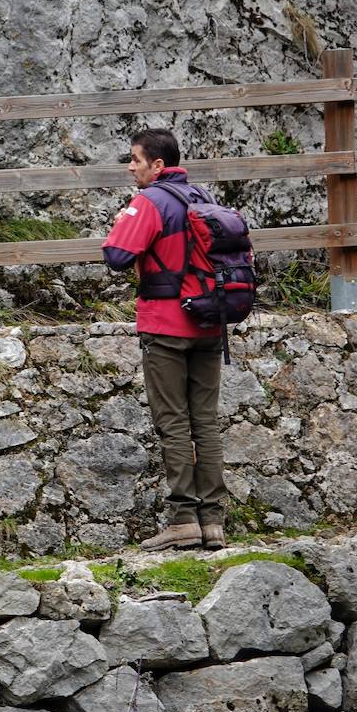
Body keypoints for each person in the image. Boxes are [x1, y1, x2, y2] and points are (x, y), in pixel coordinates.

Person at [102, 128, 227, 552]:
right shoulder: (204, 197)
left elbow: (116, 258)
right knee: (205, 421)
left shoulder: (149, 202)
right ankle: (213, 521)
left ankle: (182, 520)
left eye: (135, 160)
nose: (130, 167)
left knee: (173, 421)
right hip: (210, 323)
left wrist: (122, 223)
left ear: (158, 165)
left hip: (166, 324)